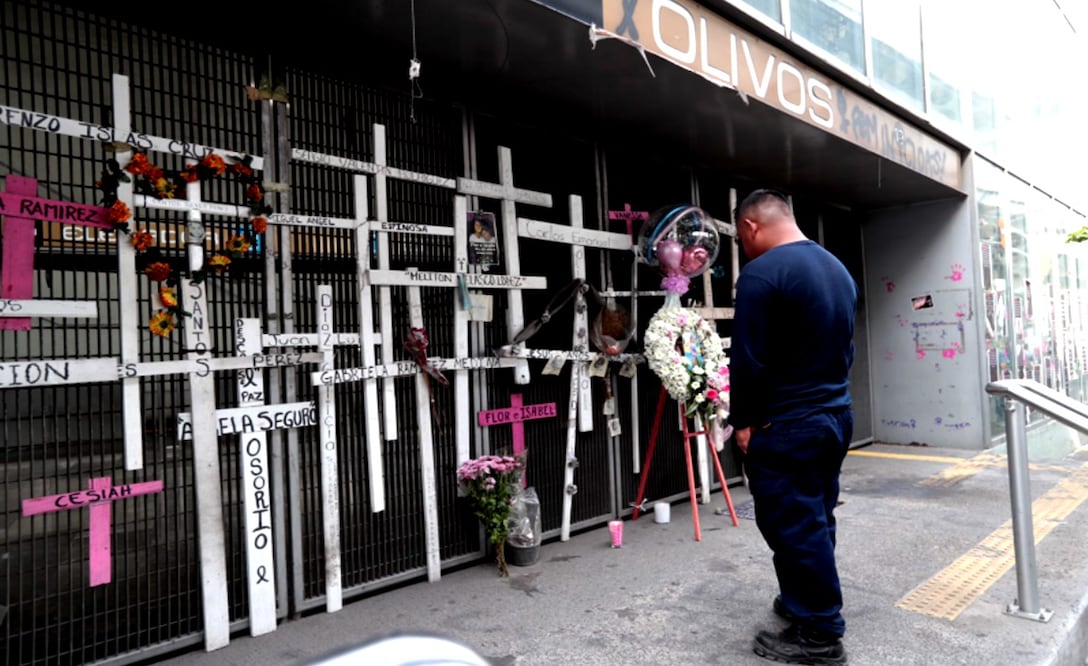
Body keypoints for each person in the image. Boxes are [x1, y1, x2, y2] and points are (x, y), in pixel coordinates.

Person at [729, 189, 858, 665]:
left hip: (789, 423)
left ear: (749, 227)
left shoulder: (762, 274)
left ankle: (821, 633)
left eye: (741, 238)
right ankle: (803, 601)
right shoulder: (836, 268)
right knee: (817, 515)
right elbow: (845, 348)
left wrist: (742, 420)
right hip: (834, 415)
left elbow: (749, 360)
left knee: (792, 523)